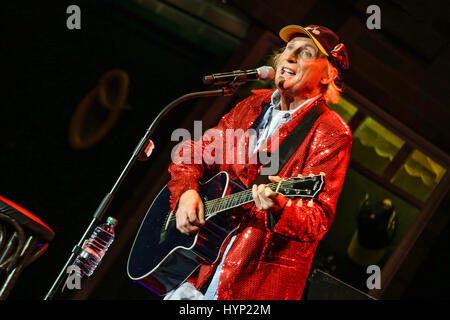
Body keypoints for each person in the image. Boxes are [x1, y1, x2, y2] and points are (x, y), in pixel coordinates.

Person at [165, 24, 352, 300]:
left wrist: (282, 205)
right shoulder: (252, 106)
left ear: (328, 74)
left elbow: (317, 219)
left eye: (305, 53)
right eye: (289, 48)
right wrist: (187, 191)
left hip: (254, 288)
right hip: (199, 273)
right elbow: (193, 152)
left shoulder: (331, 131)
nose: (290, 57)